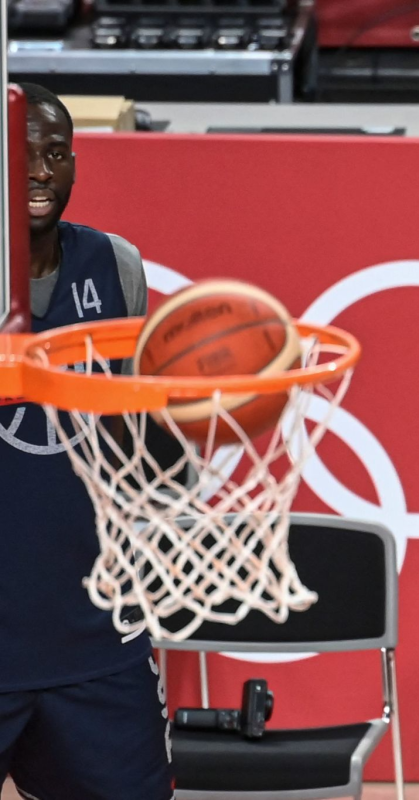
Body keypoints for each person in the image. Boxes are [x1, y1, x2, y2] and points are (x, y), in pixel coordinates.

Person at [0, 83, 174, 799]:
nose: (40, 171)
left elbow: (140, 442)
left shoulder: (118, 266)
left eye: (56, 154)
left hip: (97, 638)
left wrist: (185, 423)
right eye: (21, 154)